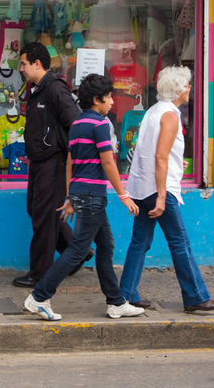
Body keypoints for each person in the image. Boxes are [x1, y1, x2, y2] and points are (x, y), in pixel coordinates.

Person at [24, 74, 144, 321]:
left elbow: (71, 161)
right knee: (78, 249)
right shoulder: (100, 125)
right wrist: (123, 194)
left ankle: (116, 302)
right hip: (92, 195)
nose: (112, 102)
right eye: (109, 97)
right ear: (97, 99)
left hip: (82, 192)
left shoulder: (77, 124)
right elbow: (108, 161)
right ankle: (39, 297)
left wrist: (70, 195)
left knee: (106, 245)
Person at [119, 66, 214, 313]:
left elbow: (153, 153)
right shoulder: (171, 116)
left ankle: (126, 294)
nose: (189, 89)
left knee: (139, 241)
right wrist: (163, 196)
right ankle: (195, 296)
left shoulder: (155, 111)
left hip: (141, 187)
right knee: (180, 242)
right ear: (178, 90)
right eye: (187, 85)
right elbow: (161, 157)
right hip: (158, 190)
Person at [13, 41, 87, 289]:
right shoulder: (35, 89)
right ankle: (77, 251)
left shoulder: (55, 89)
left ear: (37, 63)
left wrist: (70, 159)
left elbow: (75, 124)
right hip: (37, 163)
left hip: (52, 163)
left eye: (23, 64)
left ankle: (39, 274)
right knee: (37, 212)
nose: (21, 68)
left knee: (44, 218)